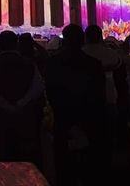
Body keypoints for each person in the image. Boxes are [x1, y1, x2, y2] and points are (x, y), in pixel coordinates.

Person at [45, 24, 106, 186]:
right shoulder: (94, 65)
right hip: (88, 123)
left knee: (64, 171)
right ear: (82, 40)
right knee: (89, 171)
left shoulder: (53, 64)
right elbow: (99, 97)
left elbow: (52, 95)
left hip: (63, 123)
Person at [0, 30, 44, 165]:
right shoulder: (29, 63)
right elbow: (37, 87)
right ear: (16, 44)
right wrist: (20, 104)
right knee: (23, 155)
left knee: (0, 154)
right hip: (23, 115)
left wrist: (6, 105)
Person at [83, 25, 122, 141]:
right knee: (109, 134)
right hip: (108, 95)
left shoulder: (81, 53)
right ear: (100, 37)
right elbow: (119, 63)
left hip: (87, 98)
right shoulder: (110, 53)